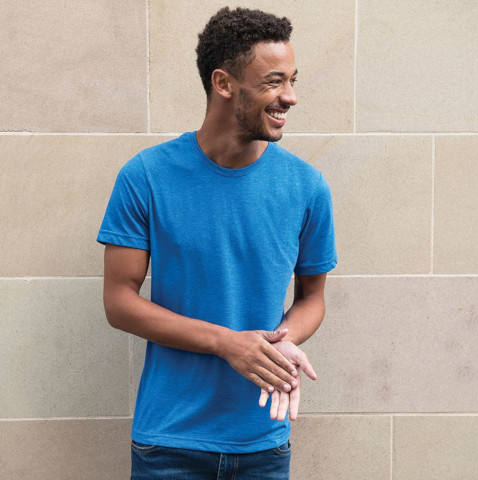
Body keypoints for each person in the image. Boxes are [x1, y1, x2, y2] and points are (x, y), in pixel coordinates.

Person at [97, 6, 337, 479]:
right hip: (168, 445)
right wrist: (227, 343)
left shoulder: (307, 186)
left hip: (263, 444)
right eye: (274, 82)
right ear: (223, 83)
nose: (290, 97)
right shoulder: (147, 175)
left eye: (293, 81)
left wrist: (279, 344)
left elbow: (313, 298)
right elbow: (119, 303)